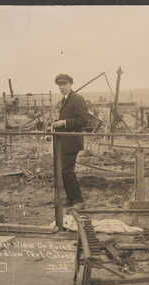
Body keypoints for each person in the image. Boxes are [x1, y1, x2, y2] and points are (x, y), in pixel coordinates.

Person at [51, 74, 89, 209]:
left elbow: (83, 120)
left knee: (66, 170)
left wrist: (64, 123)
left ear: (70, 85)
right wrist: (58, 123)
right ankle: (71, 199)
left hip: (72, 141)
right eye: (59, 85)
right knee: (63, 170)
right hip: (65, 141)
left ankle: (79, 201)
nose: (62, 87)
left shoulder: (77, 99)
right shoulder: (65, 99)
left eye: (64, 84)